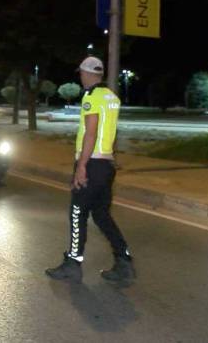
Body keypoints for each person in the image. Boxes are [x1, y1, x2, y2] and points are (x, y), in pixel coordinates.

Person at [45, 56, 135, 282]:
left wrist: (82, 166)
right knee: (102, 214)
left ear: (87, 74)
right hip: (105, 163)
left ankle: (73, 263)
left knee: (77, 213)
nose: (81, 77)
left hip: (92, 163)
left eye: (82, 74)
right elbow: (111, 131)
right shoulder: (111, 97)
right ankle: (124, 260)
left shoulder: (91, 97)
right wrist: (112, 157)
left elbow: (91, 132)